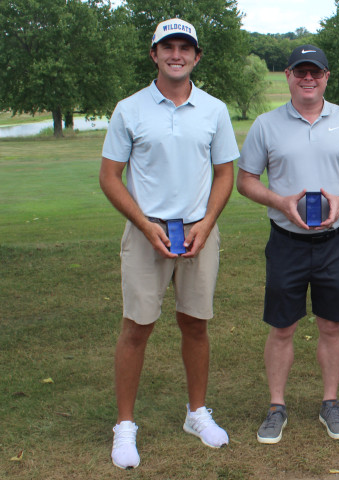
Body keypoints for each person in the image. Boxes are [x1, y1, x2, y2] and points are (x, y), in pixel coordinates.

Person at [99, 18, 239, 470]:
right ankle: (124, 425)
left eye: (185, 48)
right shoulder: (130, 109)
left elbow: (224, 174)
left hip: (199, 232)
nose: (176, 54)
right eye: (167, 47)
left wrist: (207, 222)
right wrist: (143, 225)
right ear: (154, 53)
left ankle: (196, 413)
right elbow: (109, 177)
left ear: (196, 56)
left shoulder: (214, 110)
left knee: (195, 324)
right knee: (136, 327)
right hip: (147, 232)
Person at [237, 44, 339, 444]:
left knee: (331, 325)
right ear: (288, 75)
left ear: (326, 77)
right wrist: (279, 201)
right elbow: (245, 180)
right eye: (300, 71)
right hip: (286, 242)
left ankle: (330, 403)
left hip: (335, 241)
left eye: (315, 72)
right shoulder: (266, 124)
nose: (308, 78)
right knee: (282, 327)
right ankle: (276, 406)